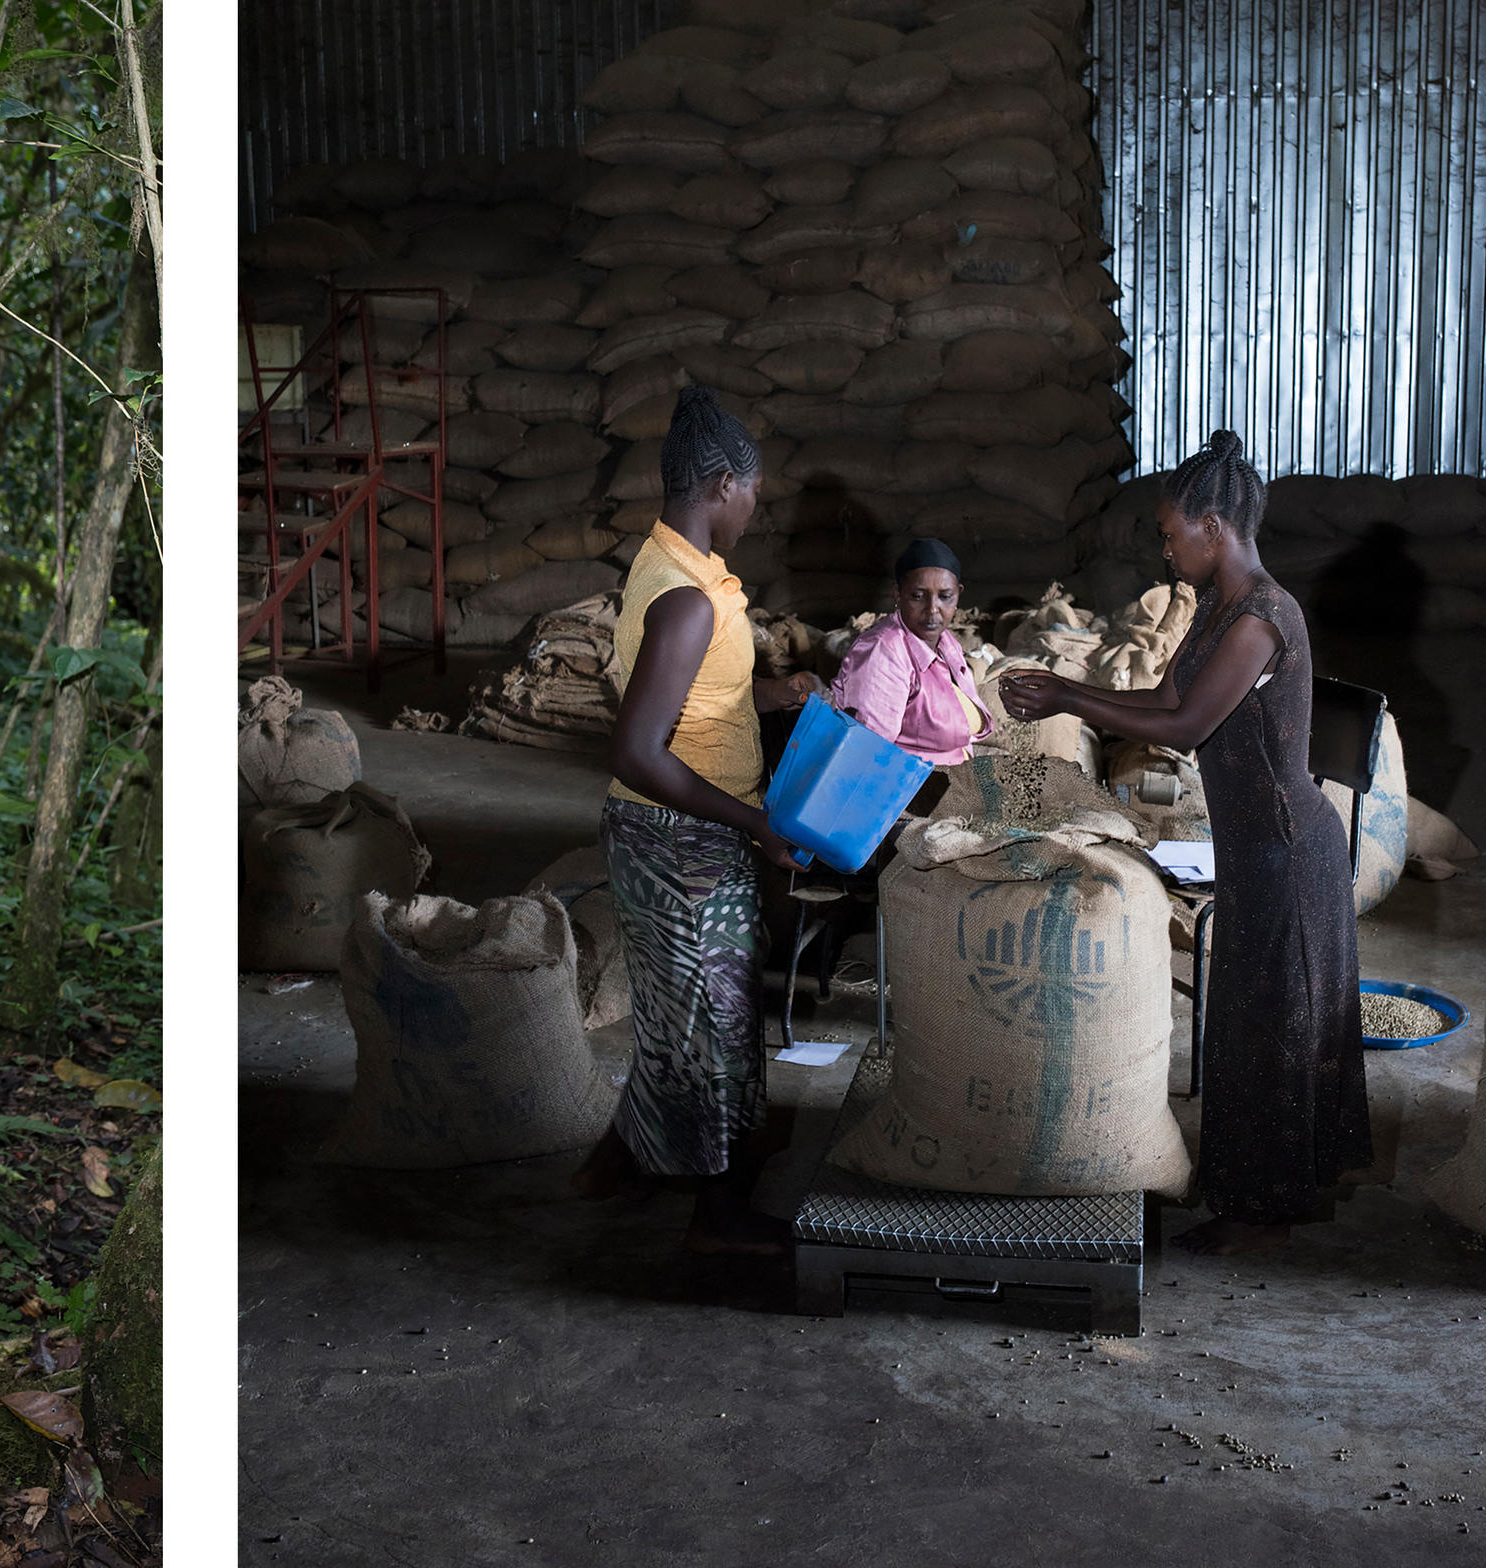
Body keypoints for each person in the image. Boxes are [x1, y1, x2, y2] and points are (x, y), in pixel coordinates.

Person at [1000, 430, 1369, 1256]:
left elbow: (1187, 724)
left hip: (1286, 847)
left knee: (1272, 1029)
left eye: (1171, 535)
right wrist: (1072, 691)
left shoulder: (1266, 617)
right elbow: (1168, 692)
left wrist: (1065, 693)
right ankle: (1252, 1200)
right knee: (1247, 1023)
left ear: (1213, 526)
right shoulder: (1217, 608)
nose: (1166, 553)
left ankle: (1262, 1218)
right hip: (1254, 847)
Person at [570, 386, 815, 1255]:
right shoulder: (686, 598)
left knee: (681, 1013)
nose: (757, 506)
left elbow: (693, 696)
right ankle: (719, 1219)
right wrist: (751, 822)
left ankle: (619, 1161)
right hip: (678, 842)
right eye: (753, 492)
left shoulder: (680, 567)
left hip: (684, 833)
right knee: (713, 1023)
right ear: (721, 485)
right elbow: (637, 750)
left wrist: (771, 694)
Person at [829, 537, 989, 765]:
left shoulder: (946, 642)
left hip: (952, 776)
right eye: (918, 596)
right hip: (909, 787)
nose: (933, 609)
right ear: (898, 593)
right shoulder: (884, 651)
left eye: (945, 596)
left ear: (958, 594)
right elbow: (868, 754)